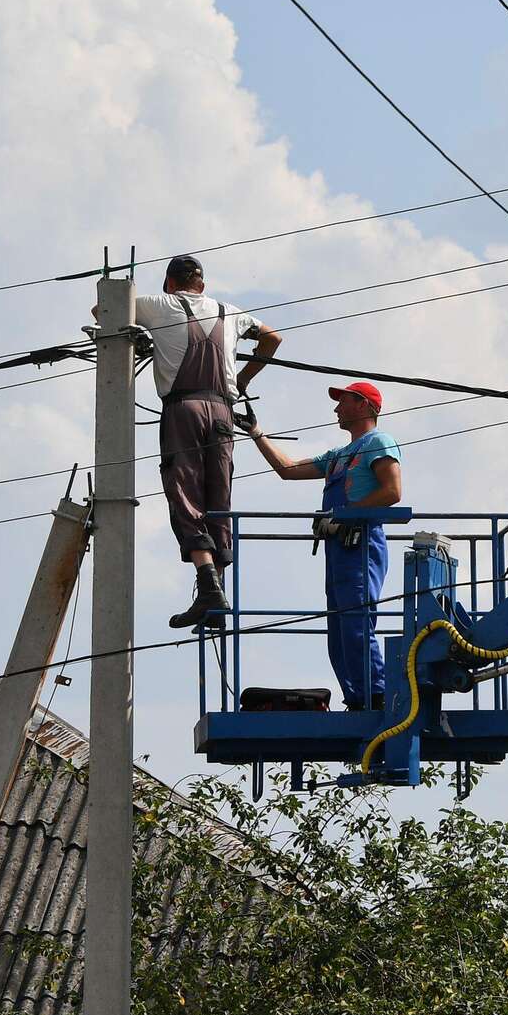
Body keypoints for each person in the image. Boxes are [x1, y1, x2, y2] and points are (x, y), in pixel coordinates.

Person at [125, 254, 280, 627]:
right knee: (219, 496)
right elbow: (273, 338)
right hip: (224, 412)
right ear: (203, 286)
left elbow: (105, 309)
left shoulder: (158, 303)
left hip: (184, 409)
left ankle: (208, 586)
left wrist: (145, 336)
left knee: (185, 492)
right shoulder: (229, 311)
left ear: (169, 283)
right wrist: (243, 379)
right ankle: (219, 593)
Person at [246, 381, 402, 711]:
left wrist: (346, 515)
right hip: (339, 550)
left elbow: (392, 492)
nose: (335, 409)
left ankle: (377, 694)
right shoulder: (338, 457)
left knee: (357, 623)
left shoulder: (379, 442)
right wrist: (256, 432)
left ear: (362, 405)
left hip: (360, 547)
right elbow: (287, 470)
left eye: (342, 401)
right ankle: (358, 698)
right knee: (340, 631)